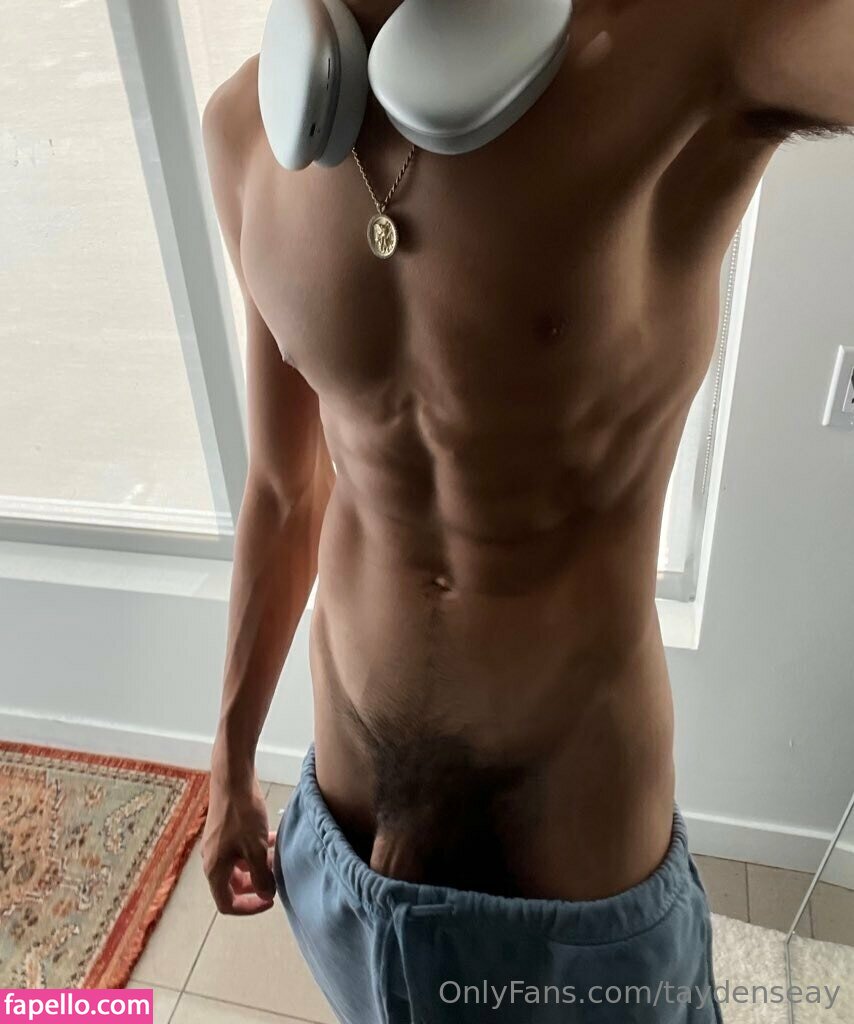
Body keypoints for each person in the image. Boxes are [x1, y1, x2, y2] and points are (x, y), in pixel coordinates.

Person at [200, 2, 854, 1020]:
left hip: (572, 872)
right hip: (343, 841)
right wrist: (229, 761)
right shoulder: (250, 127)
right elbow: (285, 492)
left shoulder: (694, 42)